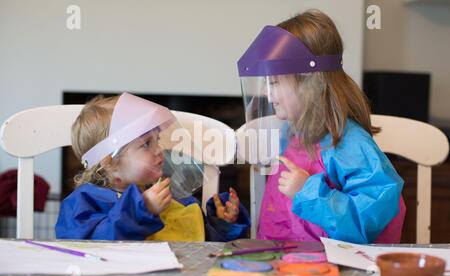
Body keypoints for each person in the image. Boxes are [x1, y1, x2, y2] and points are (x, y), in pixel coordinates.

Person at [237, 9, 406, 244]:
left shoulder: (348, 144)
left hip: (335, 270)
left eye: (274, 82)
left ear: (311, 84)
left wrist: (308, 192)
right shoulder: (291, 136)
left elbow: (374, 216)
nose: (266, 92)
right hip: (283, 265)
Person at [56, 92, 250, 241]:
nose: (159, 150)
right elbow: (91, 245)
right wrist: (141, 210)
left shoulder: (171, 198)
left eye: (157, 140)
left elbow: (202, 247)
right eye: (146, 144)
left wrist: (223, 225)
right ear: (110, 162)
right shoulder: (83, 203)